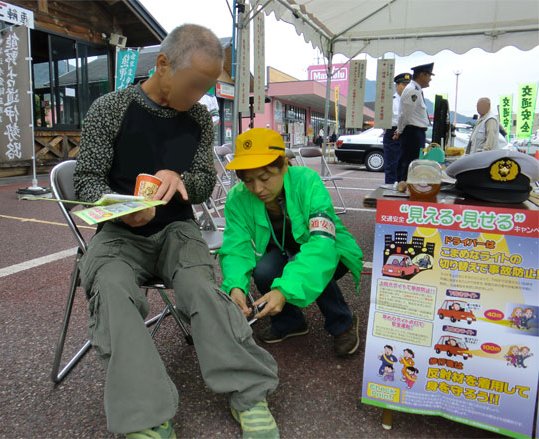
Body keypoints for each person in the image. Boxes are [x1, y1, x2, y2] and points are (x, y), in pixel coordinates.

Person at [74, 25, 279, 439]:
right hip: (118, 234)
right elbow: (86, 181)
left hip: (178, 229)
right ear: (164, 65)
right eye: (194, 85)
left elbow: (204, 181)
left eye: (207, 87)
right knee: (111, 288)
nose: (200, 96)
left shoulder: (199, 117)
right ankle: (146, 413)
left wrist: (179, 176)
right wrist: (123, 208)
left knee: (201, 287)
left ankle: (249, 393)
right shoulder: (110, 108)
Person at [219, 128, 363, 357]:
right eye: (248, 181)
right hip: (283, 249)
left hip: (329, 248)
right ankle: (291, 322)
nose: (257, 189)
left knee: (309, 264)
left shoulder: (308, 182)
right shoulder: (237, 197)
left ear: (284, 165)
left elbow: (322, 245)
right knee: (264, 271)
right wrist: (235, 285)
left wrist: (285, 290)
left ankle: (343, 323)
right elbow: (236, 246)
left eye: (265, 178)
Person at [394, 62, 434, 182]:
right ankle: (404, 185)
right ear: (422, 75)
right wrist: (399, 131)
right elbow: (405, 114)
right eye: (429, 75)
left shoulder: (416, 89)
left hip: (415, 132)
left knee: (410, 161)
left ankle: (405, 184)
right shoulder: (413, 91)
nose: (430, 79)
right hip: (412, 132)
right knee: (409, 162)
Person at [382, 73, 411, 186]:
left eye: (408, 85)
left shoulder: (412, 99)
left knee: (405, 164)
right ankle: (389, 187)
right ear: (396, 86)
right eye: (404, 84)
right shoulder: (390, 100)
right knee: (392, 164)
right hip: (393, 133)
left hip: (407, 133)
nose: (406, 88)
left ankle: (402, 187)